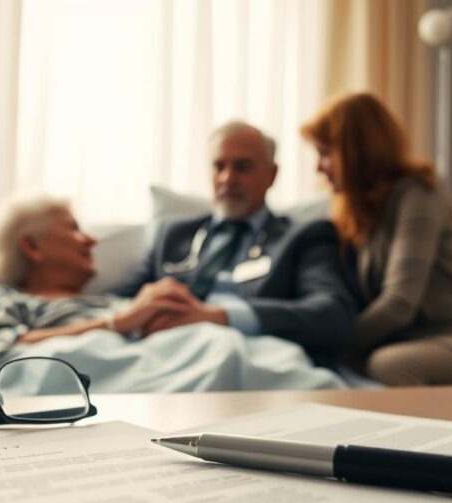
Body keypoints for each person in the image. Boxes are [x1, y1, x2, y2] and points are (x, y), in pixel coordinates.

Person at [300, 93, 452, 385]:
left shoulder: (416, 195)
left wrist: (335, 346)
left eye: (326, 153)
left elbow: (399, 304)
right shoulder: (353, 213)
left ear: (356, 151)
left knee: (390, 365)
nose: (318, 167)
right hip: (405, 342)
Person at [111, 121, 355, 365]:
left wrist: (219, 316)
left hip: (249, 356)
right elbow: (119, 302)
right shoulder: (172, 234)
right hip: (162, 354)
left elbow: (332, 316)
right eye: (219, 166)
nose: (228, 178)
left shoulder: (304, 236)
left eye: (242, 167)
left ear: (271, 175)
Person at [0, 198, 195, 377]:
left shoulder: (116, 304)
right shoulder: (0, 300)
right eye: (73, 228)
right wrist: (117, 323)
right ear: (32, 246)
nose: (92, 240)